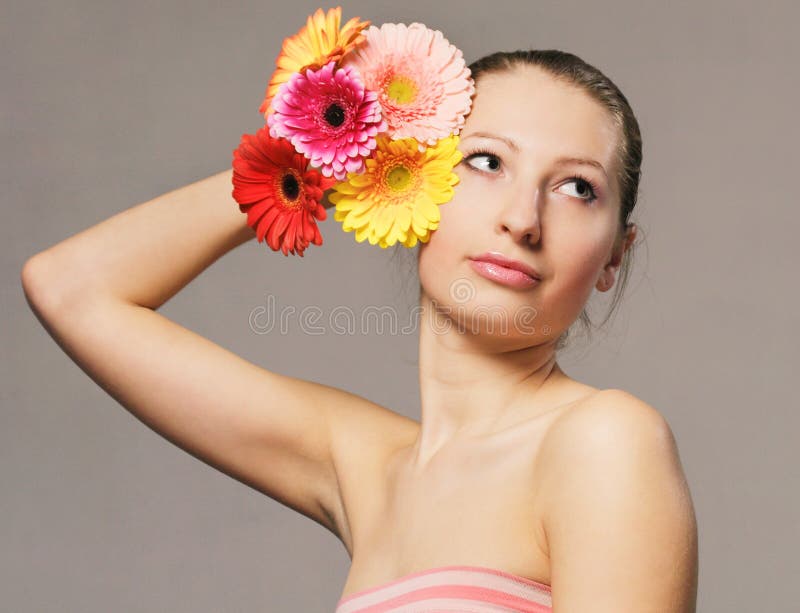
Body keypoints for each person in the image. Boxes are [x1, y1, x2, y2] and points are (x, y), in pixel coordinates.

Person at [21, 48, 698, 612]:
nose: (523, 219)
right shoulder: (366, 467)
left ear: (615, 254)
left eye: (577, 187)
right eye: (486, 162)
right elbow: (71, 287)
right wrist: (315, 149)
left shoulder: (605, 440)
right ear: (407, 184)